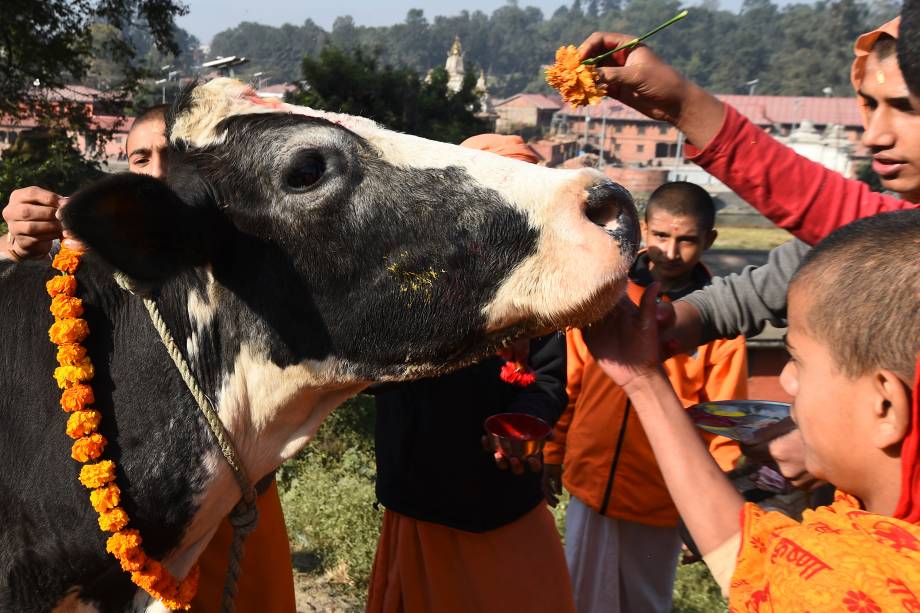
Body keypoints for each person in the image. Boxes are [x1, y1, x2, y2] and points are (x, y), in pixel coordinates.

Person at [573, 20, 919, 486]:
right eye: (871, 105)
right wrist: (672, 323)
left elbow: (846, 218)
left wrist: (682, 104)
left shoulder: (883, 237)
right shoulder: (874, 236)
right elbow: (765, 288)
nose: (874, 135)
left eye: (904, 106)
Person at [0, 105, 297, 612]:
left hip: (231, 511)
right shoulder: (93, 256)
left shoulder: (247, 257)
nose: (158, 173)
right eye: (142, 158)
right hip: (124, 524)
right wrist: (16, 247)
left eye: (175, 157)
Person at [585, 208, 920, 609]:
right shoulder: (869, 541)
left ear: (885, 406)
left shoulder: (840, 594)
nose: (788, 381)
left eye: (797, 360)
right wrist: (643, 381)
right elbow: (750, 557)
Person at [365, 134, 575, 613]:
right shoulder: (409, 271)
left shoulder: (544, 282)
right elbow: (373, 366)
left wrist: (526, 425)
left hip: (506, 501)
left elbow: (547, 379)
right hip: (424, 500)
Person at [542, 182, 746, 613]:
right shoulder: (605, 292)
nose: (672, 251)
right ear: (643, 231)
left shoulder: (716, 323)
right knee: (576, 597)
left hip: (661, 496)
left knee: (644, 603)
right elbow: (572, 379)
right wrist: (552, 453)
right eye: (661, 236)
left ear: (708, 241)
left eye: (687, 239)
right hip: (590, 480)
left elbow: (723, 424)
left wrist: (713, 511)